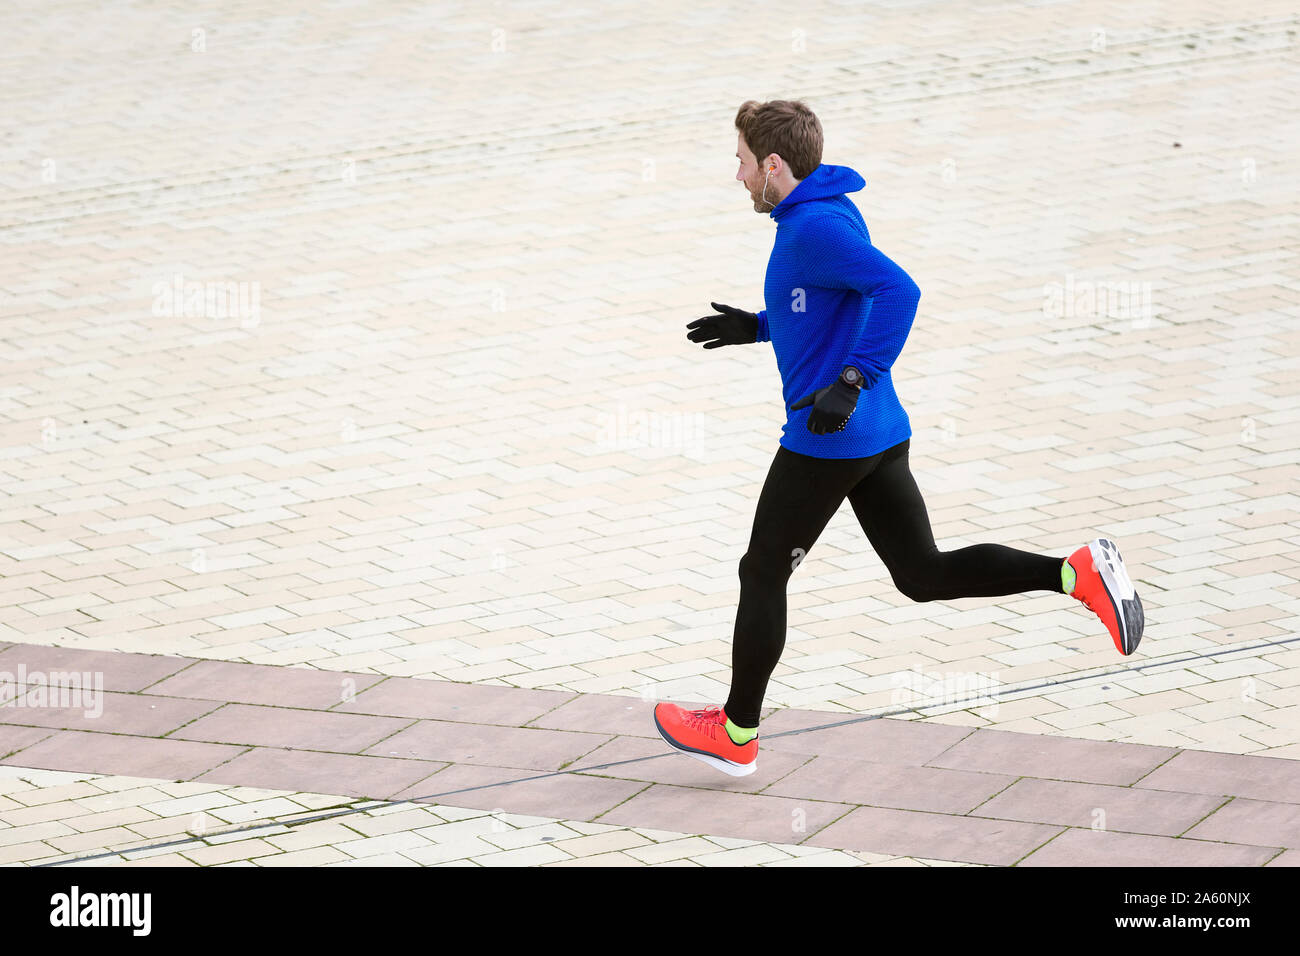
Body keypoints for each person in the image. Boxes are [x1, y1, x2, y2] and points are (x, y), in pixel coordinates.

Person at [653, 99, 1144, 778]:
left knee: (762, 569)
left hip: (831, 438)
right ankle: (1074, 572)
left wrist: (851, 378)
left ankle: (736, 733)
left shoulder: (812, 228)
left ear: (773, 165)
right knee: (922, 575)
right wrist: (761, 327)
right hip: (878, 434)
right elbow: (834, 300)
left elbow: (898, 291)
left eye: (740, 162)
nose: (735, 176)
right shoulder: (821, 211)